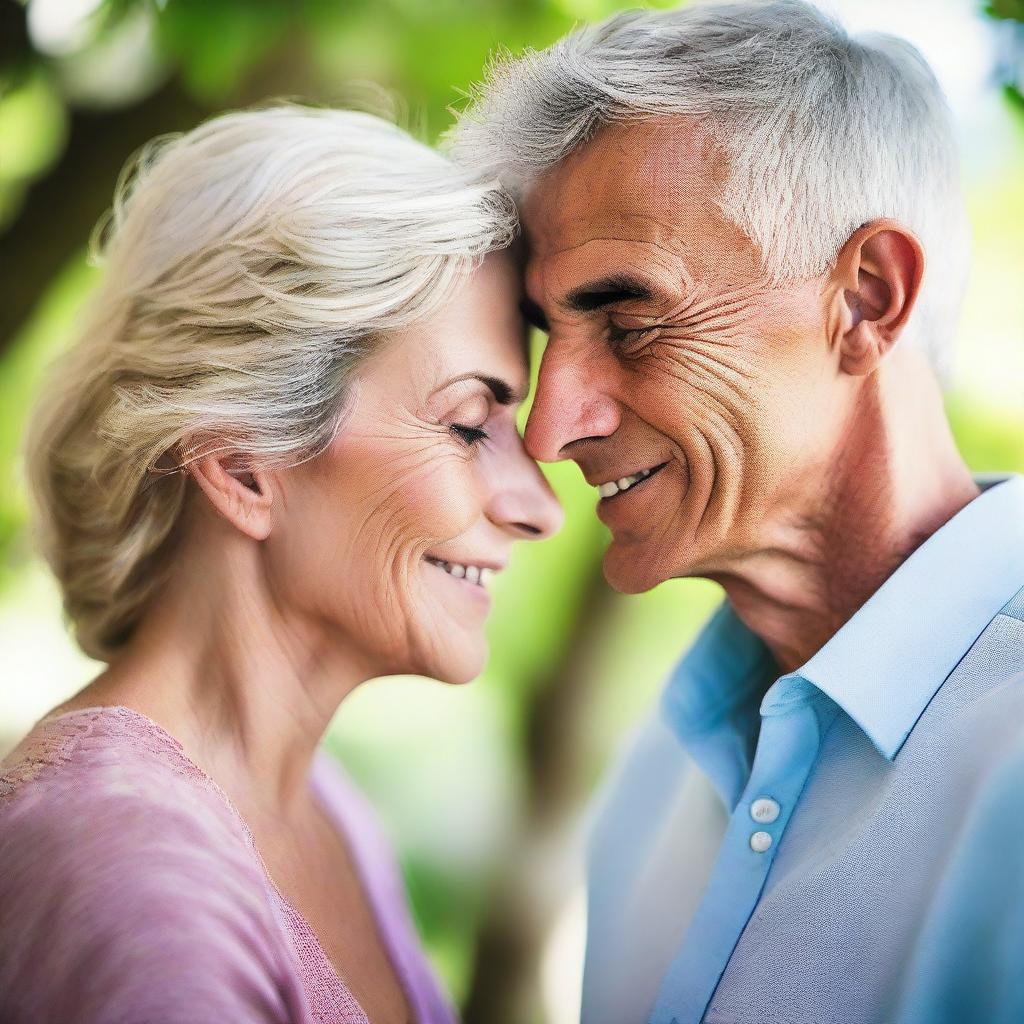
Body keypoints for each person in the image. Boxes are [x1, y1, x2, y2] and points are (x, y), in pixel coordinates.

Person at [448, 2, 1024, 1022]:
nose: (548, 432)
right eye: (549, 336)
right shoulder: (655, 772)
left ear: (865, 299)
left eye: (628, 319)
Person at [0, 104, 562, 1024]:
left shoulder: (329, 809)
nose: (540, 507)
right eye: (470, 425)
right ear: (244, 467)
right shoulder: (131, 874)